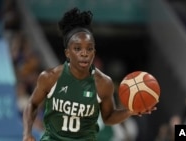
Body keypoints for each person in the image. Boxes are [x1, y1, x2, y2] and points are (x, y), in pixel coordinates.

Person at [22, 7, 156, 141]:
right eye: (78, 48)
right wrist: (27, 132)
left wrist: (129, 111)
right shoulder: (50, 77)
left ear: (94, 52)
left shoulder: (103, 83)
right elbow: (32, 104)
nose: (84, 53)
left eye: (89, 48)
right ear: (67, 53)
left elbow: (108, 117)